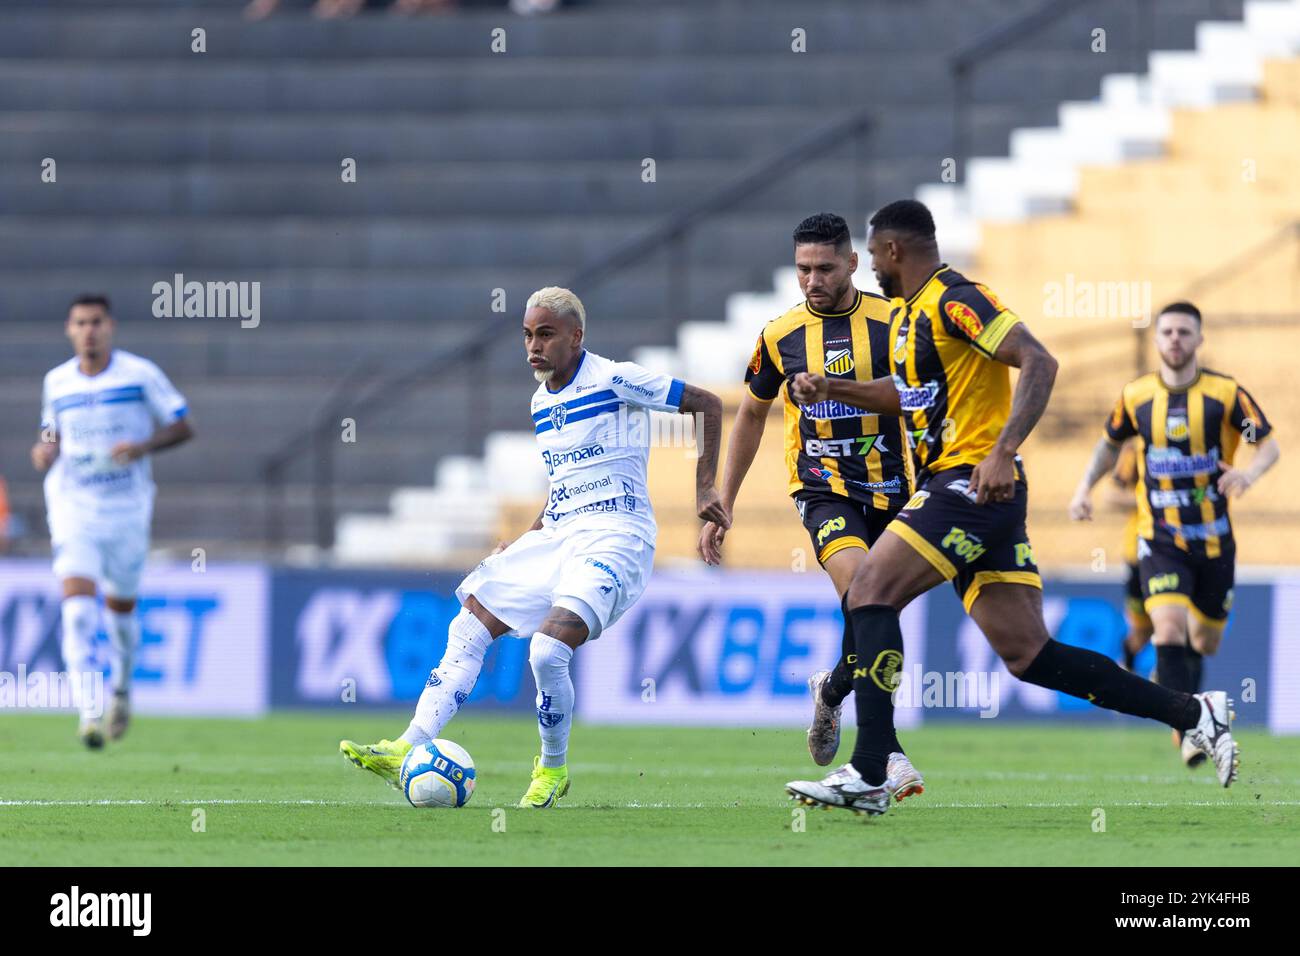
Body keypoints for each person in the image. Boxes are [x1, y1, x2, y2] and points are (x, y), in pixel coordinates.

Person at [783, 201, 1241, 816]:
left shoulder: (956, 298)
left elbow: (1039, 360)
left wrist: (1003, 450)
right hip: (971, 492)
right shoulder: (907, 316)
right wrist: (832, 386)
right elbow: (910, 393)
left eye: (873, 254)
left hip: (970, 483)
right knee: (1030, 655)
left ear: (892, 250)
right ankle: (1193, 711)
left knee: (869, 589)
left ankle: (871, 769)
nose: (870, 268)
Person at [340, 287, 729, 807]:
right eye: (527, 334)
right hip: (558, 536)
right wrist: (523, 542)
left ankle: (552, 768)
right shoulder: (541, 402)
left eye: (545, 334)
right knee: (469, 623)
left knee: (547, 651)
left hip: (616, 537)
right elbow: (561, 485)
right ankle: (407, 746)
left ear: (576, 336)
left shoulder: (616, 379)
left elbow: (705, 403)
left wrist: (705, 490)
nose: (533, 346)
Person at [698, 212, 923, 800]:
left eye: (825, 267)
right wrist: (724, 498)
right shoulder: (780, 336)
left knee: (876, 614)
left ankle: (831, 690)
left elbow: (919, 397)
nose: (813, 279)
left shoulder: (892, 323)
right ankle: (887, 754)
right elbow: (751, 411)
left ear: (852, 263)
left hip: (895, 491)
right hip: (823, 491)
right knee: (865, 593)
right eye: (803, 269)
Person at [1069, 301, 1278, 769]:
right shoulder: (1137, 396)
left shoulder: (1225, 396)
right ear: (1157, 339)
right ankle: (1188, 730)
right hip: (1159, 538)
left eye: (1185, 332)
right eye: (1167, 332)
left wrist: (1248, 475)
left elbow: (1267, 444)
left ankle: (1194, 713)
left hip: (1214, 540)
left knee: (1203, 641)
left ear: (1200, 339)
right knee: (1168, 628)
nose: (1176, 339)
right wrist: (1085, 488)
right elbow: (1109, 445)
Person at [32, 295, 195, 748]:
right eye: (80, 323)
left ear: (111, 328)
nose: (89, 331)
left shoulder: (139, 375)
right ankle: (88, 711)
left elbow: (183, 425)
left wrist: (141, 447)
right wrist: (46, 448)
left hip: (126, 509)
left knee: (120, 615)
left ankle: (121, 688)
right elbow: (52, 428)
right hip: (74, 506)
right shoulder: (57, 381)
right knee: (78, 612)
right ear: (69, 329)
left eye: (96, 322)